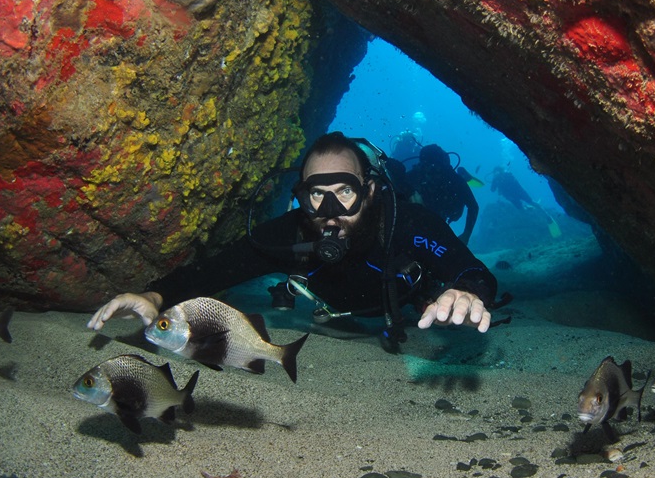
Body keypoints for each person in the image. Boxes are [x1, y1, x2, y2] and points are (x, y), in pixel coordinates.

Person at [88, 132, 497, 351]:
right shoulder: (290, 234)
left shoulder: (405, 222)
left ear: (369, 192)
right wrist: (155, 296)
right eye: (317, 195)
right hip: (337, 311)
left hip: (403, 303)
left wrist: (466, 291)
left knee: (428, 290)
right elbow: (212, 272)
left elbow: (472, 270)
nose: (332, 209)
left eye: (346, 192)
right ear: (300, 196)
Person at [400, 144, 479, 244]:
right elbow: (396, 189)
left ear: (443, 166)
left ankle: (463, 174)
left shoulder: (453, 179)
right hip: (421, 218)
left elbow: (473, 206)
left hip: (443, 215)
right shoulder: (416, 175)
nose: (432, 174)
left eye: (436, 168)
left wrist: (466, 234)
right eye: (427, 167)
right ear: (422, 166)